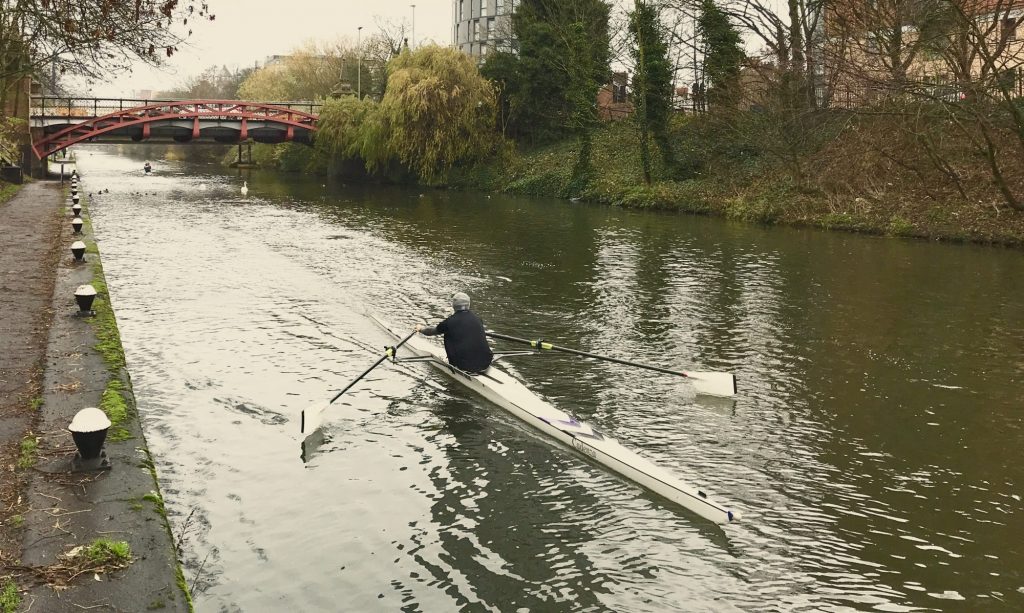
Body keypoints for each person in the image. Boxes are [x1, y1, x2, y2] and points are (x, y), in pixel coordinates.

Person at [417, 292, 493, 373]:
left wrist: (421, 329)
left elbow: (431, 332)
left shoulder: (449, 322)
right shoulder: (478, 319)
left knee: (447, 332)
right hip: (486, 363)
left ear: (453, 306)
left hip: (464, 366)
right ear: (469, 304)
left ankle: (455, 363)